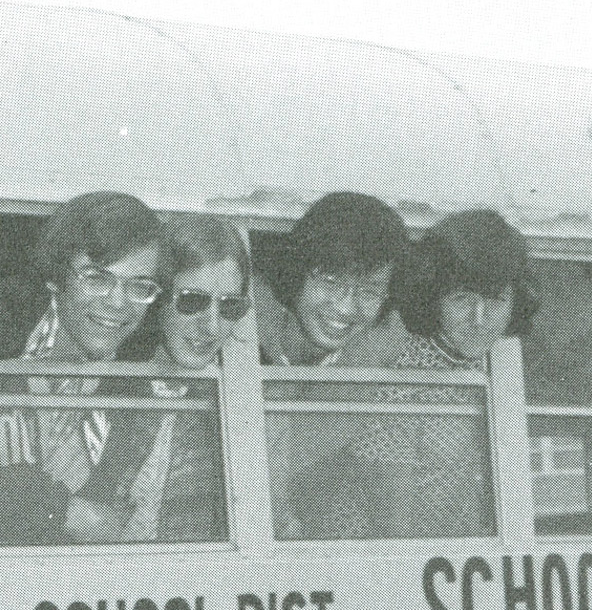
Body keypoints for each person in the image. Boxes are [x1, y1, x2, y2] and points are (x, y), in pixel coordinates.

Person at [290, 210, 535, 539]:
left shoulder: (490, 363)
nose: (479, 318)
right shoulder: (402, 373)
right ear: (433, 297)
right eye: (462, 298)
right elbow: (395, 527)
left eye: (495, 300)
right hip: (374, 553)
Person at [0, 190, 166, 545]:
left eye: (139, 287)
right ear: (55, 277)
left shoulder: (134, 384)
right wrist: (66, 511)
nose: (117, 303)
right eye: (96, 279)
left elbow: (115, 523)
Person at [77, 214, 249, 542]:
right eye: (192, 301)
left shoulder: (241, 390)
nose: (211, 326)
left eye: (230, 307)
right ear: (157, 298)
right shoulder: (105, 379)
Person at [255, 191, 408, 367]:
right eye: (331, 282)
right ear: (296, 274)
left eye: (369, 291)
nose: (346, 308)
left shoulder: (387, 347)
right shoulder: (248, 320)